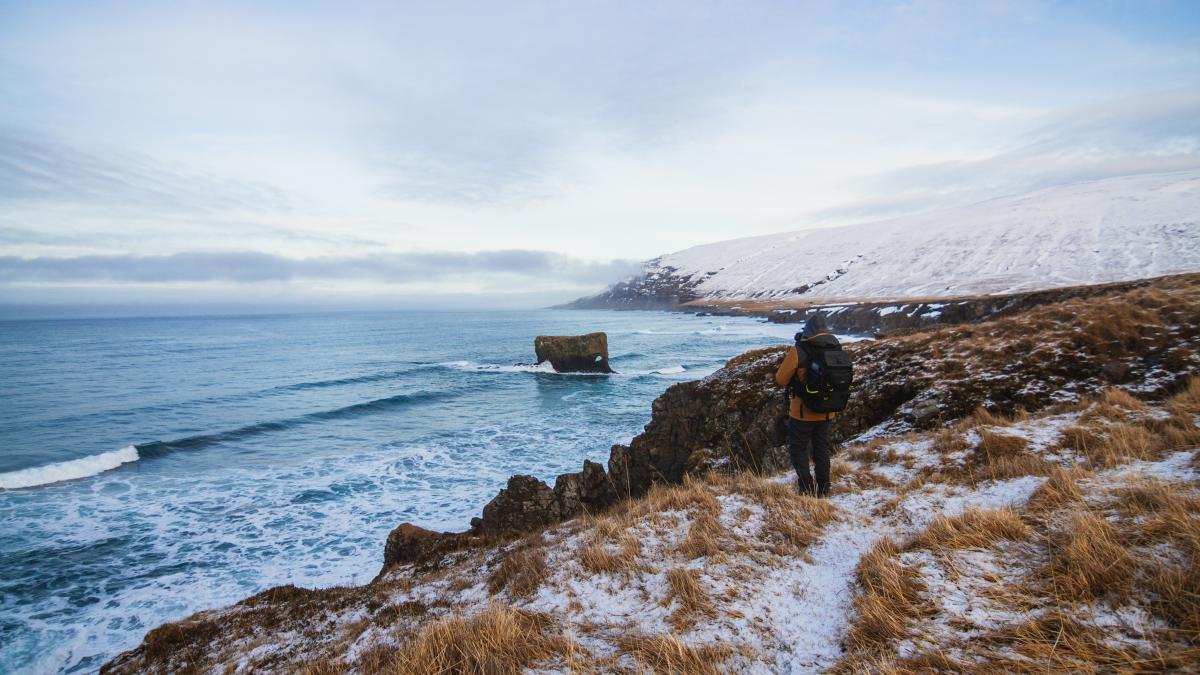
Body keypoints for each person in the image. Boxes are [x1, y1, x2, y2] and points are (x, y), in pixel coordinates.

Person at [774, 313, 839, 497]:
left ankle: (806, 488)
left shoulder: (800, 349)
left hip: (803, 412)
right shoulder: (836, 347)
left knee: (799, 449)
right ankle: (824, 488)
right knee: (821, 449)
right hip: (827, 411)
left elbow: (780, 378)